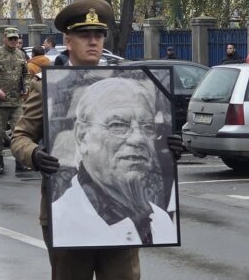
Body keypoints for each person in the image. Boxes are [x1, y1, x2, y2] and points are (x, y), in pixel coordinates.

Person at [12, 0, 186, 280]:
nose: (93, 42)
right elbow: (20, 137)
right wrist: (35, 155)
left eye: (98, 35)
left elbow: (151, 136)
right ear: (68, 40)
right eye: (84, 36)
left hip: (130, 209)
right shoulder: (47, 85)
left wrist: (169, 148)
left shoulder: (127, 80)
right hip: (68, 219)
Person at [51, 77, 177, 247]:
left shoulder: (160, 221)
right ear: (82, 136)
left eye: (148, 127)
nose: (138, 138)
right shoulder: (61, 220)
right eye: (118, 125)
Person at [0, 27, 30, 174]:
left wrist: (26, 87)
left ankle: (19, 162)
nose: (14, 41)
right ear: (4, 39)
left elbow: (26, 74)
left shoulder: (21, 54)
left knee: (19, 133)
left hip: (16, 102)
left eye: (15, 38)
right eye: (11, 38)